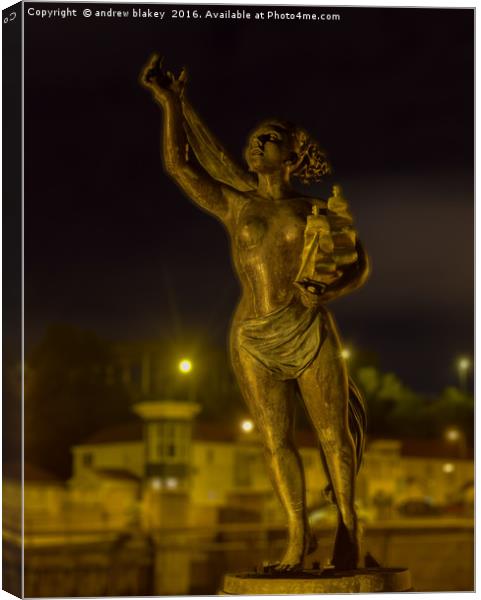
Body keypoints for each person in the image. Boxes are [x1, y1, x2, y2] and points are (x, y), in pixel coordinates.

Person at [140, 54, 370, 572]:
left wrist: (328, 293)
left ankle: (350, 528)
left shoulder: (316, 209)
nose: (255, 143)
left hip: (308, 327)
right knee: (274, 441)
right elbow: (180, 164)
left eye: (269, 138)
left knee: (333, 436)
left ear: (292, 154)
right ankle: (297, 536)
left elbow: (359, 266)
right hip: (252, 335)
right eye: (254, 139)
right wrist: (169, 104)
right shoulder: (237, 206)